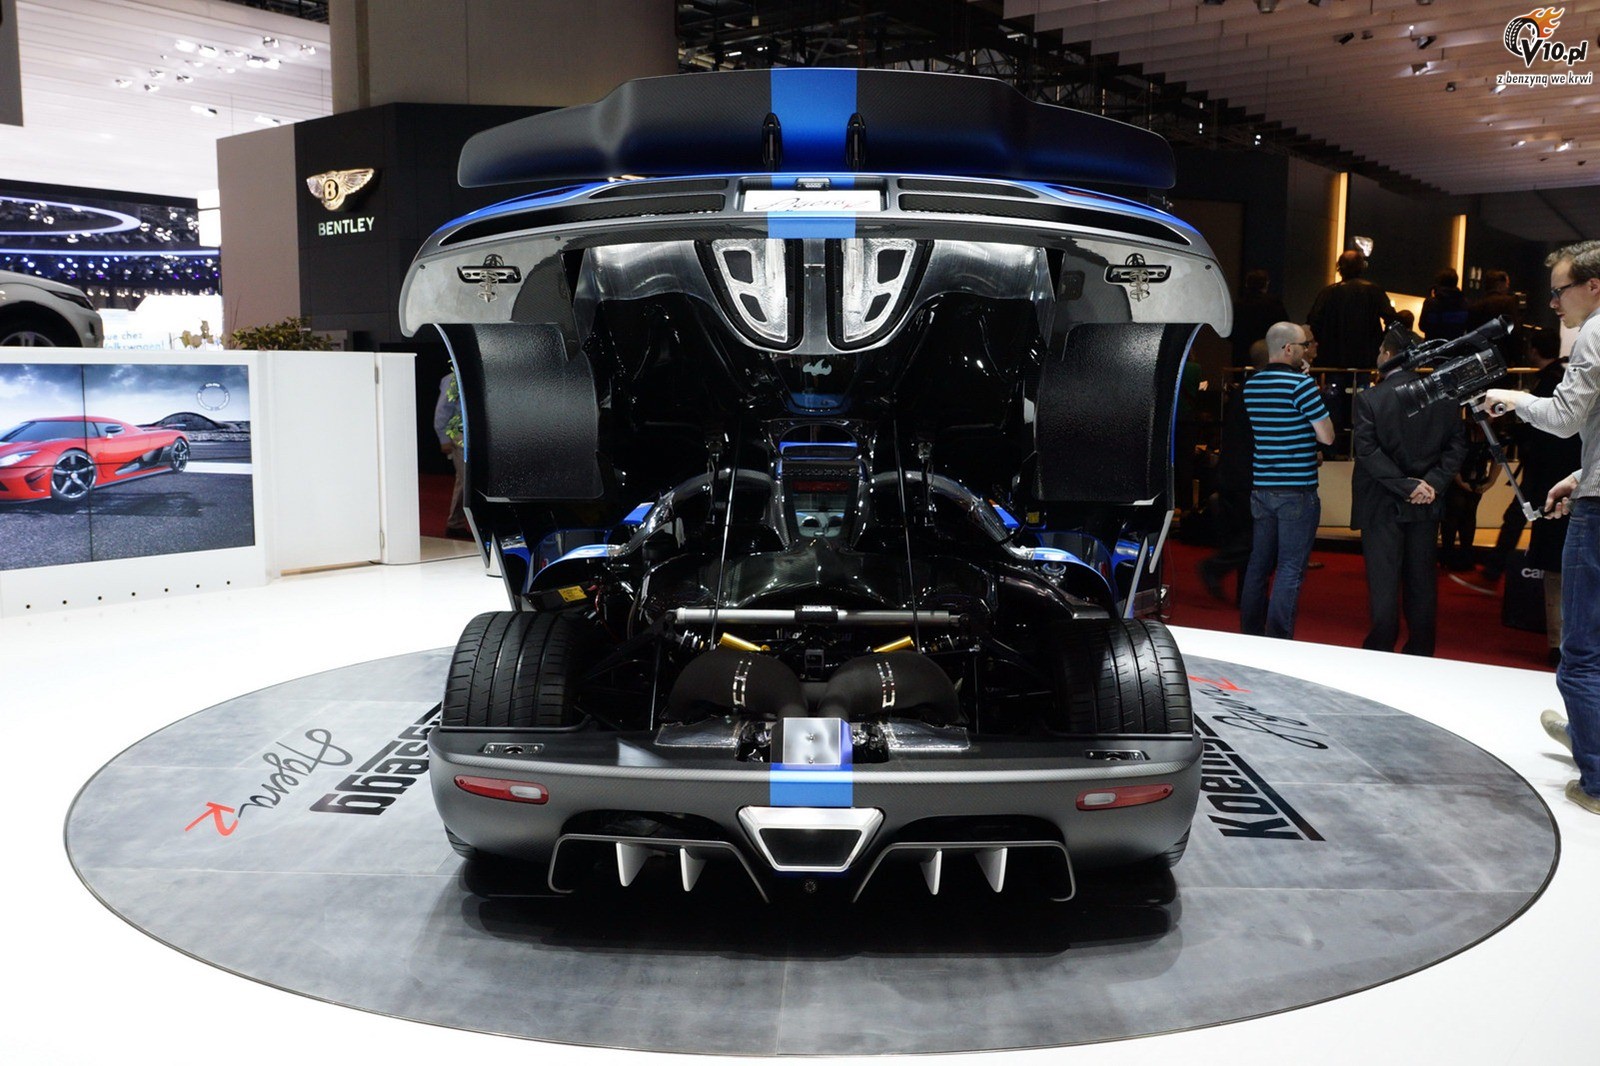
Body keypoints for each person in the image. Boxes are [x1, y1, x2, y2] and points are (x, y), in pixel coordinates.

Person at [1485, 240, 1600, 816]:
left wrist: (1510, 397)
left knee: (1582, 650)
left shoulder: (1595, 333)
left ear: (1593, 285)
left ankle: (1596, 778)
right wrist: (1582, 475)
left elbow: (1563, 418)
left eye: (1559, 290)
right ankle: (1586, 734)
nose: (1553, 303)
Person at [1351, 327, 1466, 655]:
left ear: (1388, 355)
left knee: (1384, 582)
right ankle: (1421, 650)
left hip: (1382, 502)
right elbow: (1457, 446)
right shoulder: (1444, 396)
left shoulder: (1370, 398)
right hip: (1427, 502)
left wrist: (1407, 485)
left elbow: (1367, 452)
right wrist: (1433, 483)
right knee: (1422, 581)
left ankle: (1381, 647)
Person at [1238, 321, 1334, 639]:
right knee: (1290, 567)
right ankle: (1278, 639)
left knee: (1258, 564)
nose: (1307, 350)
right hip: (1296, 489)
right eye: (1304, 345)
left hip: (1262, 485)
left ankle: (1250, 631)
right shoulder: (1302, 386)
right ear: (1289, 348)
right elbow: (1327, 436)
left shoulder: (1252, 384)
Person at [1199, 339, 1267, 600]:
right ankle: (1217, 569)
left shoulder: (1246, 388)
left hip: (1235, 472)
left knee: (1245, 535)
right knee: (1253, 537)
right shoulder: (1258, 390)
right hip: (1245, 475)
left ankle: (1245, 592)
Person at [1306, 250, 1397, 371]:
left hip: (1333, 359)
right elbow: (1392, 319)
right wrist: (1381, 342)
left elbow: (1314, 323)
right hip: (1366, 358)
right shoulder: (1374, 291)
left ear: (1339, 268)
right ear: (1361, 267)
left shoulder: (1327, 293)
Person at [433, 370, 471, 538]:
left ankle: (455, 524)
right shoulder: (453, 379)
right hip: (460, 436)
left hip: (476, 436)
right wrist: (444, 439)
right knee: (468, 481)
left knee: (464, 482)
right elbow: (442, 411)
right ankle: (457, 524)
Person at [1231, 269, 1289, 362]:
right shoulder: (1274, 304)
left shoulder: (1237, 306)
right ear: (1266, 284)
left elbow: (1230, 331)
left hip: (1242, 353)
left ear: (1247, 284)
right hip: (1268, 352)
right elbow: (1284, 328)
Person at [1419, 268, 1469, 341]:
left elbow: (1422, 326)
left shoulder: (1430, 303)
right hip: (1455, 345)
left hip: (1434, 345)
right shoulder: (1464, 303)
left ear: (1439, 282)